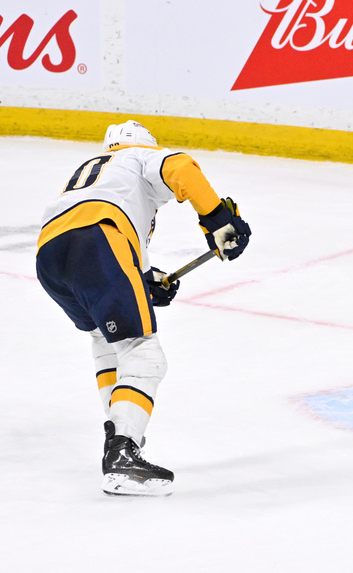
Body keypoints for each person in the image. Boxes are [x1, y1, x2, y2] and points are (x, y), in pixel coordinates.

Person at [35, 120, 251, 496]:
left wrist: (148, 279)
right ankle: (122, 452)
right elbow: (180, 167)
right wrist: (217, 219)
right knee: (144, 353)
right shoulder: (140, 156)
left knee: (106, 340)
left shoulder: (97, 173)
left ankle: (118, 432)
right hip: (98, 237)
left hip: (49, 254)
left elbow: (120, 238)